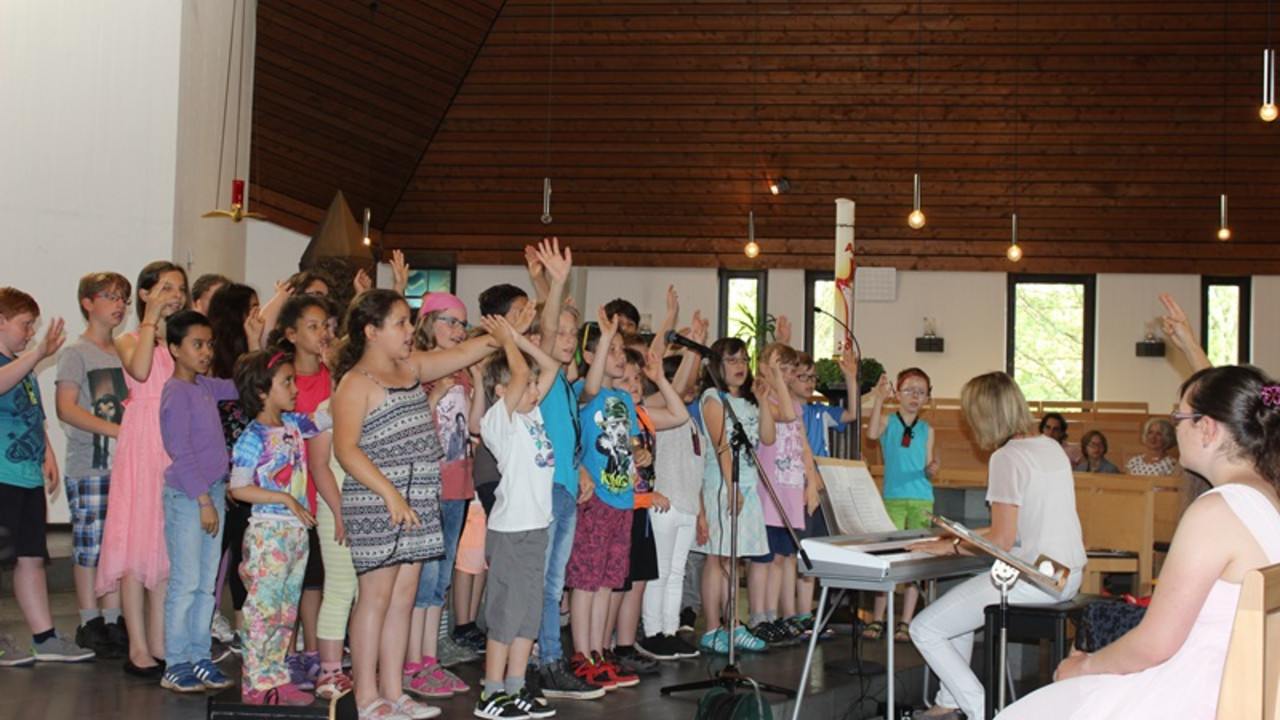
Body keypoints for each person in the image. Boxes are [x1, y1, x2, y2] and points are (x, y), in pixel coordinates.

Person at [997, 365, 1280, 720]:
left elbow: (1156, 643)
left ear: (1206, 428)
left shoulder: (1216, 511)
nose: (1175, 427)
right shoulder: (1268, 496)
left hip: (1206, 689)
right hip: (1248, 678)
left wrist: (1084, 667)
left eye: (1179, 416)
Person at [330, 289, 499, 720]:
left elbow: (471, 349)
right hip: (379, 501)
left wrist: (516, 320)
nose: (410, 331)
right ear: (371, 331)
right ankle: (366, 696)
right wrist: (389, 494)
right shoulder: (355, 383)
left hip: (419, 497)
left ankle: (394, 690)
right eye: (401, 323)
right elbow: (347, 450)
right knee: (376, 597)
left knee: (404, 598)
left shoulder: (411, 368)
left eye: (409, 321)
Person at [906, 371, 1086, 720]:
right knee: (952, 613)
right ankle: (949, 701)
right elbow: (1015, 529)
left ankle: (981, 711)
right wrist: (956, 537)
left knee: (924, 629)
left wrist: (952, 547)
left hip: (1036, 578)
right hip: (1067, 573)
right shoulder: (1049, 447)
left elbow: (1002, 540)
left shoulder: (1007, 457)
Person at [96, 261, 188, 677]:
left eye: (180, 289)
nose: (175, 295)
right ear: (146, 293)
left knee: (164, 547)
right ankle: (136, 646)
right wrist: (151, 321)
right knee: (136, 546)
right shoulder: (129, 339)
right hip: (141, 445)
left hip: (172, 446)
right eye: (166, 287)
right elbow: (139, 370)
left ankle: (160, 641)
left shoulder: (180, 345)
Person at [229, 349, 330, 705]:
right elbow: (238, 486)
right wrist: (285, 499)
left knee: (286, 610)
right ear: (261, 392)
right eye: (286, 382)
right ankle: (256, 683)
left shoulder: (294, 426)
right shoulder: (252, 437)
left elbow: (326, 417)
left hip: (295, 534)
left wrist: (336, 368)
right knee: (263, 611)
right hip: (268, 533)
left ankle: (277, 675)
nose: (295, 388)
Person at [0, 287, 93, 666]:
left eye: (34, 327)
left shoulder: (23, 369)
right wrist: (39, 354)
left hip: (26, 477)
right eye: (25, 325)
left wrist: (48, 452)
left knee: (32, 557)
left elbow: (33, 415)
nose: (31, 334)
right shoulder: (17, 366)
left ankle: (45, 636)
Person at [475, 315, 562, 719]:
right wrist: (510, 340)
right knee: (506, 617)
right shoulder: (500, 423)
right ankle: (491, 693)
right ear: (501, 390)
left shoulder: (532, 416)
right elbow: (526, 370)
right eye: (525, 386)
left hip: (535, 530)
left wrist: (520, 343)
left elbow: (552, 366)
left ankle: (513, 688)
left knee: (528, 616)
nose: (533, 390)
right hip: (511, 532)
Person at [156, 310, 239, 693]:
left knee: (207, 585)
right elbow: (181, 451)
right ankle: (175, 662)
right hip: (191, 497)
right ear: (174, 348)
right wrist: (204, 500)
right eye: (196, 344)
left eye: (209, 344)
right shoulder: (175, 393)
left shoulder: (205, 386)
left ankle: (200, 656)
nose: (206, 351)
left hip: (212, 493)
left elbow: (243, 386)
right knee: (186, 582)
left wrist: (254, 339)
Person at [403, 291, 478, 699]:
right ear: (429, 323)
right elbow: (410, 426)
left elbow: (476, 424)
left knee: (440, 579)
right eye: (449, 321)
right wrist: (434, 393)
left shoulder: (464, 372)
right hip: (426, 486)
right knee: (424, 578)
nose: (457, 330)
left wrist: (478, 379)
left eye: (463, 323)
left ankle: (429, 658)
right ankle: (411, 663)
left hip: (458, 486)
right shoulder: (418, 367)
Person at [54, 272, 133, 659]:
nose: (119, 305)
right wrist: (117, 431)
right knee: (90, 544)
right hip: (91, 465)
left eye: (124, 298)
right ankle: (89, 620)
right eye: (110, 297)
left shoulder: (125, 352)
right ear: (88, 302)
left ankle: (114, 618)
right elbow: (66, 408)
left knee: (117, 545)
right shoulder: (77, 352)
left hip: (125, 467)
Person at [563, 310, 643, 691]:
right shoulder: (584, 391)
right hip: (595, 499)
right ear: (591, 357)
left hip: (623, 500)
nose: (620, 358)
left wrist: (639, 456)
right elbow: (591, 388)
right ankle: (581, 654)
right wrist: (606, 335)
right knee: (587, 580)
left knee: (609, 581)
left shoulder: (624, 399)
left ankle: (598, 651)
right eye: (611, 351)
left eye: (622, 352)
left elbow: (629, 443)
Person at [266, 294, 338, 693]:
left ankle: (315, 653)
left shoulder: (334, 376)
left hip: (327, 497)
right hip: (294, 496)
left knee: (317, 581)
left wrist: (337, 370)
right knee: (290, 580)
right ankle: (286, 653)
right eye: (313, 326)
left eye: (326, 325)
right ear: (291, 334)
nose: (323, 333)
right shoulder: (286, 382)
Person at [696, 337, 783, 655]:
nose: (740, 366)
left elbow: (769, 438)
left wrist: (764, 400)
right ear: (717, 366)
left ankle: (733, 624)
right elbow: (721, 445)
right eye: (732, 361)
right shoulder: (712, 398)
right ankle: (711, 629)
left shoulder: (749, 400)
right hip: (722, 485)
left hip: (747, 486)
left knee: (734, 561)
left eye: (744, 360)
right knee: (717, 557)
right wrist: (731, 485)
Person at [865, 367, 940, 642]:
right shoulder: (888, 421)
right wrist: (879, 400)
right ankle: (877, 618)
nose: (915, 396)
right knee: (888, 558)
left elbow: (927, 466)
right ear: (898, 393)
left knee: (916, 559)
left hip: (921, 498)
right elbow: (872, 435)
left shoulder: (927, 430)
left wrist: (931, 469)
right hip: (893, 498)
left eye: (921, 392)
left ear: (927, 397)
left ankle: (906, 620)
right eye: (909, 390)